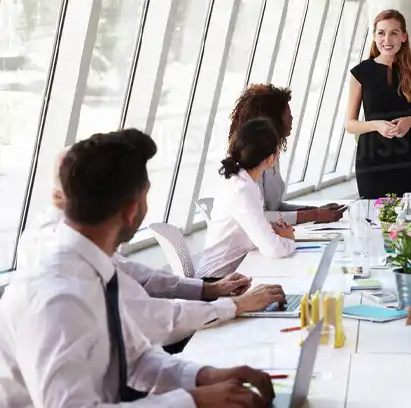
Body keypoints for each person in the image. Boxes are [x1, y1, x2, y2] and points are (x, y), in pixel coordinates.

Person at [0, 128, 276, 407]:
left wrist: (205, 376)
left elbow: (136, 358)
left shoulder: (94, 267)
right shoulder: (58, 296)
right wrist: (194, 400)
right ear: (133, 209)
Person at [18, 147, 287, 354]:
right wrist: (233, 305)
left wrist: (209, 290)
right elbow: (154, 321)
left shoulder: (64, 233)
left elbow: (135, 274)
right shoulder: (62, 250)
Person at [346, 9, 411, 199]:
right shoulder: (360, 73)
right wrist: (376, 125)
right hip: (371, 158)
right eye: (381, 33)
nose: (387, 40)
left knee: (408, 219)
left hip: (408, 157)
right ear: (374, 37)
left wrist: (410, 121)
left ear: (403, 37)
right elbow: (350, 124)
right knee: (374, 217)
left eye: (394, 33)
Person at [228, 83, 344, 225]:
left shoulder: (269, 154)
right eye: (288, 115)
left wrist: (315, 211)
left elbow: (275, 208)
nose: (292, 118)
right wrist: (314, 215)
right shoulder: (248, 162)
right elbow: (260, 217)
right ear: (273, 121)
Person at [196, 118, 297, 280]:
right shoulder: (242, 190)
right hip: (215, 283)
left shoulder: (241, 182)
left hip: (229, 276)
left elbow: (250, 227)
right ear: (271, 158)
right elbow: (272, 249)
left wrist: (271, 228)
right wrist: (289, 239)